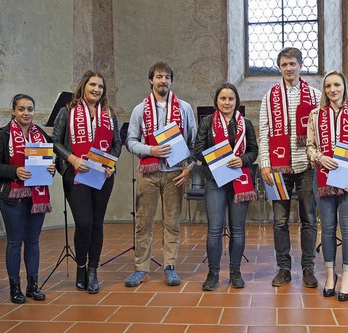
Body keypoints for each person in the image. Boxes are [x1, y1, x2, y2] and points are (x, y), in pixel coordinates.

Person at [124, 62, 197, 287]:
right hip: (148, 173)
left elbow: (194, 143)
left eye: (166, 77)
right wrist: (151, 150)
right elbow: (130, 141)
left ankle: (170, 267)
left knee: (172, 223)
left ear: (171, 81)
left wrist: (189, 168)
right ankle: (141, 268)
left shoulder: (184, 108)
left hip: (175, 174)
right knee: (144, 222)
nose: (163, 80)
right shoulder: (139, 109)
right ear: (151, 80)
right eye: (158, 76)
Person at [52, 70, 122, 294]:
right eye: (92, 85)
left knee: (97, 223)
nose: (96, 89)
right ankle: (80, 266)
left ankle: (93, 270)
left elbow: (117, 144)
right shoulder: (67, 111)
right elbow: (54, 141)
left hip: (102, 175)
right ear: (83, 86)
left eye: (100, 86)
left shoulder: (109, 113)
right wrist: (72, 159)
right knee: (84, 223)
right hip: (76, 174)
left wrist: (111, 163)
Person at [258, 47, 321, 288]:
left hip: (306, 165)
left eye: (292, 64)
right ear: (279, 67)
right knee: (279, 221)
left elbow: (319, 131)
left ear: (300, 65)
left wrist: (317, 157)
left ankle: (308, 268)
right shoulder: (269, 97)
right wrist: (265, 164)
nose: (288, 68)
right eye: (284, 65)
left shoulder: (314, 96)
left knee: (308, 219)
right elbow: (264, 132)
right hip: (278, 167)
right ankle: (283, 268)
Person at [307, 71, 348, 302]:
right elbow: (310, 146)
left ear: (344, 86)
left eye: (337, 85)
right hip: (322, 178)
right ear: (324, 89)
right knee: (328, 228)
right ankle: (331, 274)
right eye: (328, 86)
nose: (333, 89)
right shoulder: (315, 114)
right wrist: (319, 157)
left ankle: (347, 276)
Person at [0, 94, 54, 303]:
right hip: (12, 195)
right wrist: (15, 170)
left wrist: (51, 169)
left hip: (37, 195)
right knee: (15, 242)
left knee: (33, 242)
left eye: (30, 109)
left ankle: (33, 286)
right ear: (13, 111)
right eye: (22, 109)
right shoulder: (2, 135)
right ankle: (14, 287)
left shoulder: (41, 134)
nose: (26, 113)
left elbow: (49, 160)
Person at [194, 83, 258, 291]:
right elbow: (198, 150)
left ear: (236, 101)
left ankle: (235, 272)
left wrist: (242, 160)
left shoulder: (245, 123)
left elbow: (253, 151)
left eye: (231, 99)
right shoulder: (207, 123)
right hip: (215, 180)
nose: (227, 102)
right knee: (215, 229)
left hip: (240, 179)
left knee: (238, 229)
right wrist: (217, 160)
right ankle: (213, 274)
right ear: (216, 101)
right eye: (223, 98)